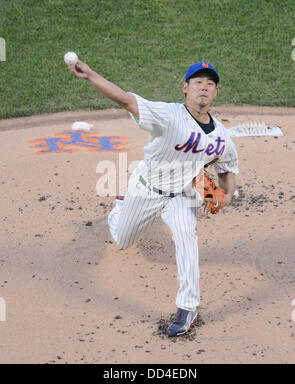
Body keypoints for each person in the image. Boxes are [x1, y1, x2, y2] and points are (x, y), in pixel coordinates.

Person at [68, 60, 239, 336]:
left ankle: (188, 309)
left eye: (210, 84)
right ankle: (120, 205)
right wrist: (90, 75)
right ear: (185, 88)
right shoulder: (168, 114)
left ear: (216, 92)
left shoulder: (221, 136)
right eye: (198, 83)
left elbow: (227, 166)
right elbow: (125, 100)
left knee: (187, 238)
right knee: (123, 240)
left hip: (181, 195)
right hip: (145, 190)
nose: (204, 88)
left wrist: (227, 195)